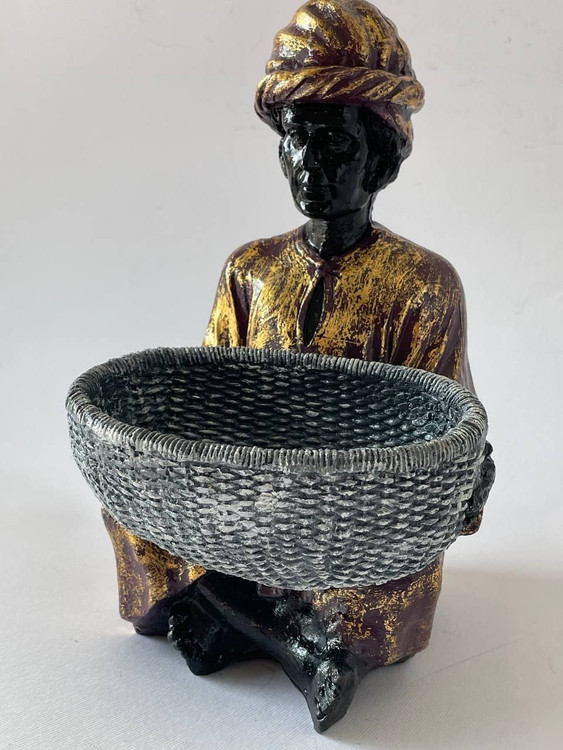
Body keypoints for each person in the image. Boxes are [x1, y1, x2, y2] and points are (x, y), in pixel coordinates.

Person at [103, 0, 492, 731]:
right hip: (245, 506)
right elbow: (203, 405)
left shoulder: (422, 284)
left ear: (380, 156)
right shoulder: (250, 270)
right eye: (297, 139)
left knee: (384, 574)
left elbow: (449, 432)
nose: (311, 164)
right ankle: (294, 643)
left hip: (355, 523)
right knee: (131, 509)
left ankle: (223, 614)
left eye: (336, 144)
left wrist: (462, 482)